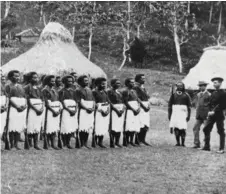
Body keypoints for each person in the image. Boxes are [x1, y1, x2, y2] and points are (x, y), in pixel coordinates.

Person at [202, 77, 226, 154]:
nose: (214, 84)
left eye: (215, 82)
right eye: (213, 83)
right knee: (206, 128)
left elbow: (222, 105)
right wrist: (209, 111)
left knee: (221, 131)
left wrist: (214, 111)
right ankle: (206, 146)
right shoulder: (213, 93)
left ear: (220, 83)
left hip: (219, 114)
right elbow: (210, 103)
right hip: (211, 114)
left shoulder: (223, 93)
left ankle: (221, 148)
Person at [5, 70, 27, 150]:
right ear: (10, 77)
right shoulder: (8, 86)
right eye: (15, 76)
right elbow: (8, 98)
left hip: (21, 108)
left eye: (18, 76)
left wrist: (24, 105)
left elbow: (24, 97)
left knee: (18, 126)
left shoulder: (21, 87)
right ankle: (11, 144)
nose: (17, 77)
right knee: (12, 126)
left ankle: (16, 144)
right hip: (13, 109)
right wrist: (16, 106)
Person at [24, 72, 44, 150]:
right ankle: (29, 143)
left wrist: (41, 108)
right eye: (34, 77)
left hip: (39, 109)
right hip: (31, 109)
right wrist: (35, 109)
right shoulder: (27, 87)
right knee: (30, 125)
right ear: (30, 79)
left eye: (37, 77)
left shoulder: (39, 88)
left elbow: (42, 99)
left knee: (37, 125)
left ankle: (36, 144)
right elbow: (27, 100)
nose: (36, 79)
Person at [42, 75, 62, 150]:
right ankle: (47, 143)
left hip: (56, 110)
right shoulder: (45, 90)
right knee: (48, 127)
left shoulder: (54, 90)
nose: (53, 82)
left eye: (54, 81)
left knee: (54, 127)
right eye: (51, 81)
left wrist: (58, 110)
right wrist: (53, 111)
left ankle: (53, 144)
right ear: (47, 81)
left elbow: (58, 101)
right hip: (49, 111)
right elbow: (46, 103)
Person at [168, 82, 191, 147]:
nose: (180, 87)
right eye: (178, 86)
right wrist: (169, 115)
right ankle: (178, 142)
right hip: (175, 113)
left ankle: (183, 143)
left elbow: (189, 107)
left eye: (181, 86)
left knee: (182, 128)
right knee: (176, 128)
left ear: (183, 87)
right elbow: (169, 106)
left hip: (183, 114)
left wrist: (188, 115)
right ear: (176, 87)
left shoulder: (186, 95)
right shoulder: (173, 95)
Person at [59, 75, 78, 149]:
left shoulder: (73, 91)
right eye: (68, 81)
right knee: (65, 127)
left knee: (71, 126)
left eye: (71, 81)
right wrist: (69, 110)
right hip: (66, 111)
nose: (70, 83)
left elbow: (76, 101)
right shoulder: (62, 91)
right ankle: (64, 142)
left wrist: (75, 109)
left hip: (73, 111)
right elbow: (61, 102)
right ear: (64, 82)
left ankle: (68, 142)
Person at [76, 75, 95, 149]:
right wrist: (86, 108)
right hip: (83, 111)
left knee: (87, 127)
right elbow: (79, 101)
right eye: (85, 80)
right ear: (80, 82)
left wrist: (93, 107)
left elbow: (93, 100)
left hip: (90, 110)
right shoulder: (78, 90)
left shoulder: (89, 89)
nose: (87, 82)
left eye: (87, 80)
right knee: (82, 127)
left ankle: (86, 143)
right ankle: (82, 143)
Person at [122, 78, 141, 146]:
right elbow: (126, 102)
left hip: (135, 109)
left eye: (133, 82)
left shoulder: (134, 91)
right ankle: (126, 141)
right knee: (128, 125)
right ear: (127, 84)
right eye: (131, 82)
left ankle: (131, 141)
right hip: (130, 110)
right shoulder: (125, 91)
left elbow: (137, 100)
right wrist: (133, 110)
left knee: (134, 125)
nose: (133, 84)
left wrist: (138, 108)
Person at [192, 81, 211, 149]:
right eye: (199, 86)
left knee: (206, 129)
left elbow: (211, 105)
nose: (200, 87)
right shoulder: (198, 94)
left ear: (205, 86)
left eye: (202, 85)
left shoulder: (209, 94)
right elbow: (197, 104)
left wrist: (210, 114)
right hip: (199, 115)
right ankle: (196, 144)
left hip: (206, 115)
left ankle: (206, 145)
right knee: (195, 128)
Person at [93, 77, 110, 148]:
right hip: (98, 111)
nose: (104, 85)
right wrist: (101, 110)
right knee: (97, 126)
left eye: (105, 84)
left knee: (102, 126)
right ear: (97, 84)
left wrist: (107, 110)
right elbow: (94, 103)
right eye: (102, 84)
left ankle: (100, 142)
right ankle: (94, 141)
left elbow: (108, 102)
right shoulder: (94, 92)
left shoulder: (105, 92)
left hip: (105, 111)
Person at [107, 79, 125, 148]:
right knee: (113, 127)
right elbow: (109, 102)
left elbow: (122, 101)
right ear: (112, 84)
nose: (118, 85)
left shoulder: (119, 92)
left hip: (120, 110)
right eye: (117, 83)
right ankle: (112, 142)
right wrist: (116, 110)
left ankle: (117, 142)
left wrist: (122, 109)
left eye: (119, 83)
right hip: (114, 110)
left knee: (119, 126)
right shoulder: (109, 91)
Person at [134, 74, 151, 146]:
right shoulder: (136, 87)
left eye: (144, 78)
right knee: (140, 123)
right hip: (141, 106)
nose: (144, 80)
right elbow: (137, 98)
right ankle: (137, 140)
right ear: (138, 79)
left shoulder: (142, 87)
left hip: (146, 106)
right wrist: (143, 106)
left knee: (146, 124)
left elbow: (146, 96)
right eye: (142, 79)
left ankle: (143, 140)